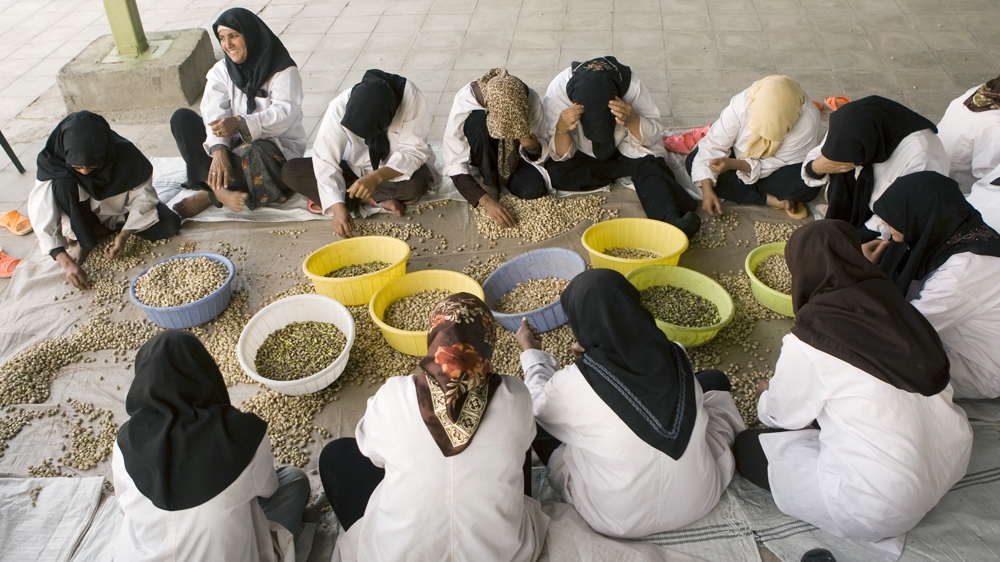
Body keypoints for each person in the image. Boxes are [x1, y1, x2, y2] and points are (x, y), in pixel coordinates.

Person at [735, 220, 972, 559]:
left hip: (882, 502)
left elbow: (781, 416)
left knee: (746, 448)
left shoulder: (811, 336)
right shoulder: (898, 305)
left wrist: (765, 394)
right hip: (949, 461)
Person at [515, 269, 746, 538]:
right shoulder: (676, 352)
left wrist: (531, 353)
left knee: (533, 418)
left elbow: (538, 404)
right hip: (701, 498)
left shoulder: (574, 382)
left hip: (618, 519)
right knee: (713, 379)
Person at [318, 293, 548, 561]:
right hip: (499, 555)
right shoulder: (515, 396)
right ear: (488, 343)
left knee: (336, 455)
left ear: (434, 340)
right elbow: (523, 444)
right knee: (516, 451)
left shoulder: (394, 394)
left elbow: (373, 454)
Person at [112, 330, 310, 561]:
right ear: (205, 375)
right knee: (294, 480)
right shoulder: (240, 434)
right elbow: (269, 488)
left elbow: (124, 506)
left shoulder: (125, 442)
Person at [865, 172, 1000, 399]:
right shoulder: (953, 231)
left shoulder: (963, 272)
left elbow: (903, 333)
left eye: (897, 216)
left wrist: (862, 273)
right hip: (948, 337)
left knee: (872, 364)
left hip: (977, 366)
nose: (884, 224)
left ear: (922, 215)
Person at [542, 56, 700, 238]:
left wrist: (633, 119)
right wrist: (562, 128)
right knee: (555, 173)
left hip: (626, 150)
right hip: (584, 155)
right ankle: (613, 175)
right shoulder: (558, 93)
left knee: (652, 169)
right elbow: (559, 152)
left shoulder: (631, 86)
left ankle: (672, 222)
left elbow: (653, 135)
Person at [170, 7, 305, 218]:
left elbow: (283, 116)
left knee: (251, 152)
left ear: (250, 36)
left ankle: (210, 193)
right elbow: (213, 113)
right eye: (222, 38)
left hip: (274, 149)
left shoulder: (284, 72)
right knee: (182, 118)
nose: (228, 45)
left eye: (234, 36)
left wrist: (240, 123)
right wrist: (218, 150)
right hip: (230, 144)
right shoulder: (221, 71)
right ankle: (219, 188)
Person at [27, 111, 180, 290]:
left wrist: (124, 235)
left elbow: (143, 198)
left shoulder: (126, 156)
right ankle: (85, 239)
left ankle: (104, 232)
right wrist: (66, 263)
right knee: (62, 184)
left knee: (170, 224)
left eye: (93, 167)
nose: (84, 173)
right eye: (77, 167)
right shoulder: (53, 161)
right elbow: (41, 213)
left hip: (118, 213)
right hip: (81, 216)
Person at [282, 69, 437, 238]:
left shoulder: (411, 98)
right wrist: (336, 206)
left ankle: (357, 195)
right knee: (291, 171)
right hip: (351, 167)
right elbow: (325, 159)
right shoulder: (339, 107)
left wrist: (376, 177)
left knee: (417, 183)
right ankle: (370, 198)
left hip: (390, 173)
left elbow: (414, 151)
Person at [800, 96, 948, 241]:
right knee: (837, 167)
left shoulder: (921, 159)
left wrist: (854, 240)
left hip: (895, 220)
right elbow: (817, 161)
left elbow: (899, 214)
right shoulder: (851, 123)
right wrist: (817, 167)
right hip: (868, 196)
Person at [687, 75, 823, 220]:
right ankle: (770, 199)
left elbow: (778, 162)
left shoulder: (807, 122)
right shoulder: (742, 103)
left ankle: (751, 193)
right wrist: (707, 189)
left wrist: (734, 164)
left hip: (776, 166)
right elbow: (713, 145)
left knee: (806, 187)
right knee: (694, 162)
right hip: (741, 155)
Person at [442, 68, 550, 228]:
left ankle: (504, 173)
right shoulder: (465, 101)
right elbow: (454, 164)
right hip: (482, 149)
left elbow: (542, 148)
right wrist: (486, 201)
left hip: (515, 157)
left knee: (533, 190)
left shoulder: (530, 98)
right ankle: (488, 176)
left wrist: (531, 146)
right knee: (478, 123)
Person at [936, 75, 1000, 192]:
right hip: (958, 190)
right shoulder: (996, 128)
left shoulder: (983, 91)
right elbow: (992, 181)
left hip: (937, 163)